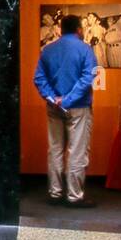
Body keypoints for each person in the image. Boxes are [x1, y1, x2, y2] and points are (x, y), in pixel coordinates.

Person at [34, 14, 98, 207]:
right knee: (77, 151)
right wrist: (68, 99)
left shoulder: (48, 50)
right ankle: (74, 195)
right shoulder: (86, 50)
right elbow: (88, 78)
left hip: (54, 107)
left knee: (55, 150)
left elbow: (39, 78)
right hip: (78, 107)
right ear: (79, 29)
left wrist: (54, 98)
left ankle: (55, 192)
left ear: (61, 29)